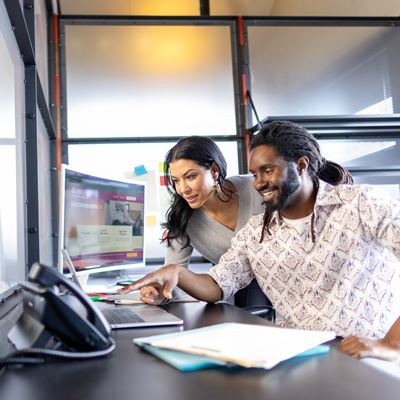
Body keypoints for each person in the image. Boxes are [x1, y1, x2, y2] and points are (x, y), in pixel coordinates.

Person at [120, 121, 400, 364]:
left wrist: (390, 345)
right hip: (298, 357)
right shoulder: (257, 232)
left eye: (267, 171)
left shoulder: (362, 204)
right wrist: (178, 273)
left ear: (301, 165)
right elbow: (218, 285)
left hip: (370, 359)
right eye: (254, 174)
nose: (258, 183)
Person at [140, 135, 268, 307]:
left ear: (214, 170)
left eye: (190, 177)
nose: (183, 189)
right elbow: (175, 275)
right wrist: (159, 293)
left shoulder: (258, 188)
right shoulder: (183, 219)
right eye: (176, 180)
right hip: (235, 292)